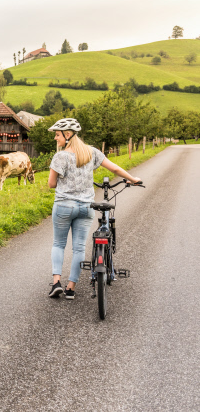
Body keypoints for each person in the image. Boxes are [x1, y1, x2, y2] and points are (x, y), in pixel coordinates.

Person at [47, 118, 141, 300]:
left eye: (57, 135)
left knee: (59, 244)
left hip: (64, 205)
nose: (55, 139)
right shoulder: (92, 152)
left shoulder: (60, 156)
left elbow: (51, 183)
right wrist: (132, 178)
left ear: (67, 135)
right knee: (79, 248)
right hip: (86, 207)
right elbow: (114, 168)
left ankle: (56, 282)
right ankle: (71, 288)